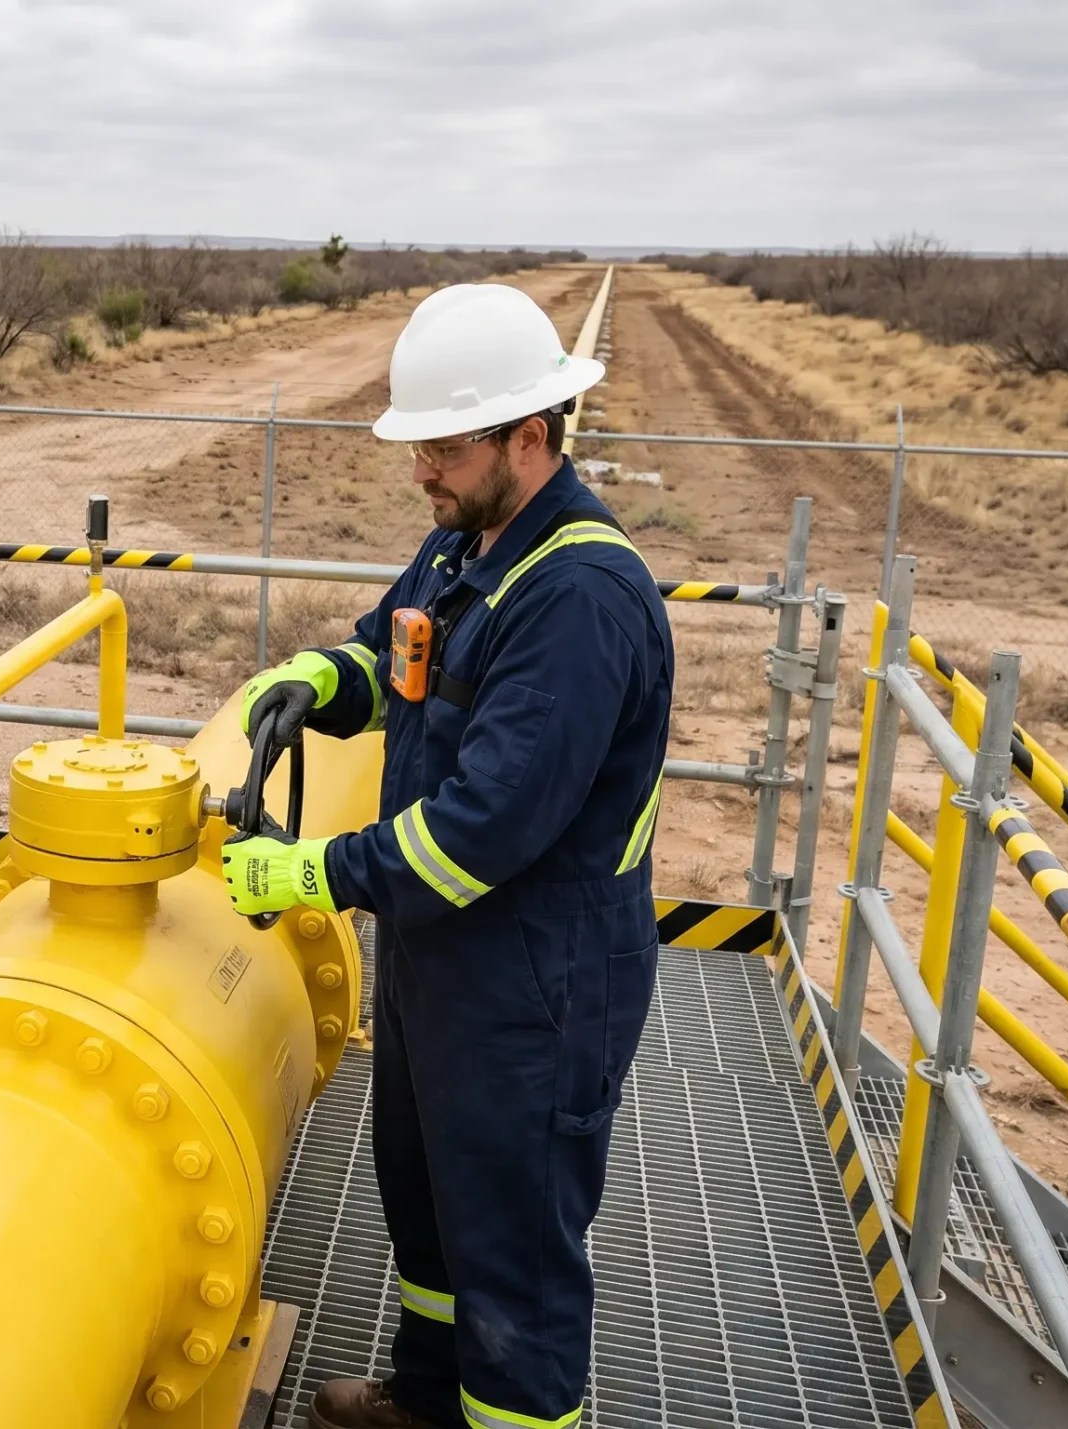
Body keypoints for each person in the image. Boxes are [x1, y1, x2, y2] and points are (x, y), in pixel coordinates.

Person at [219, 284, 673, 1429]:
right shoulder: (466, 541)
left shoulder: (577, 594)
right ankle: (426, 1397)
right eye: (415, 447)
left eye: (439, 447)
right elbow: (394, 658)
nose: (419, 470)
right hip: (444, 959)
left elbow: (481, 832)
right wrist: (327, 677)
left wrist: (309, 872)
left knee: (512, 1241)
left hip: (537, 976)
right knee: (427, 1202)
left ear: (530, 434)